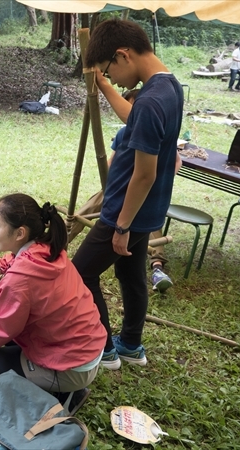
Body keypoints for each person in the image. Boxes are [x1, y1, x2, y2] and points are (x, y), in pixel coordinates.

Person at [71, 19, 184, 371]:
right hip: (146, 212)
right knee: (131, 277)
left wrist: (121, 226)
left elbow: (145, 173)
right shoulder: (168, 87)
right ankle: (132, 345)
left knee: (80, 273)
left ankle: (102, 347)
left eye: (110, 70)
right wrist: (104, 86)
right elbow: (134, 118)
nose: (116, 79)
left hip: (125, 211)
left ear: (123, 54)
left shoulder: (151, 101)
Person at [0, 193, 106, 415]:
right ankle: (61, 384)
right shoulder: (48, 249)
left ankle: (62, 396)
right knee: (12, 344)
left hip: (73, 367)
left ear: (20, 233)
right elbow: (13, 261)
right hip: (89, 349)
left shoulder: (19, 281)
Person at [68, 88, 177, 293]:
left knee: (84, 273)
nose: (128, 111)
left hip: (140, 195)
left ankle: (157, 264)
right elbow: (111, 163)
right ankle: (61, 237)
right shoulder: (124, 133)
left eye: (131, 105)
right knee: (129, 273)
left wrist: (154, 181)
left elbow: (169, 165)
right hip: (117, 190)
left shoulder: (153, 127)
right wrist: (112, 185)